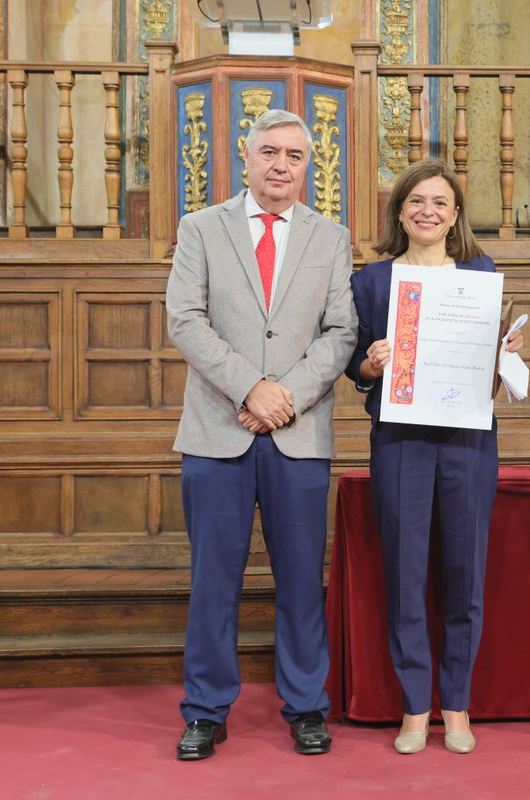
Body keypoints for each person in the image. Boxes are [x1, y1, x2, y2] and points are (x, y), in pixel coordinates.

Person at [165, 109, 357, 760]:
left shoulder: (331, 238)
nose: (280, 165)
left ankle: (306, 705)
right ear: (244, 158)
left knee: (303, 580)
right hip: (218, 430)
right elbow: (185, 320)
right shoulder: (201, 229)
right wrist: (250, 387)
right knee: (212, 581)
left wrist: (285, 398)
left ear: (309, 167)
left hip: (297, 435)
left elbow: (342, 334)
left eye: (294, 156)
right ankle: (205, 710)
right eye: (269, 152)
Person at [346, 158, 523, 755]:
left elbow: (489, 376)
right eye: (417, 200)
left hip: (467, 439)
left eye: (440, 202)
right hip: (400, 438)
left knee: (464, 572)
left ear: (454, 216)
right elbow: (356, 368)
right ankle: (414, 707)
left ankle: (458, 705)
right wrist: (371, 363)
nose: (428, 211)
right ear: (401, 211)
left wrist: (502, 352)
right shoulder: (371, 282)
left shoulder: (480, 273)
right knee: (405, 571)